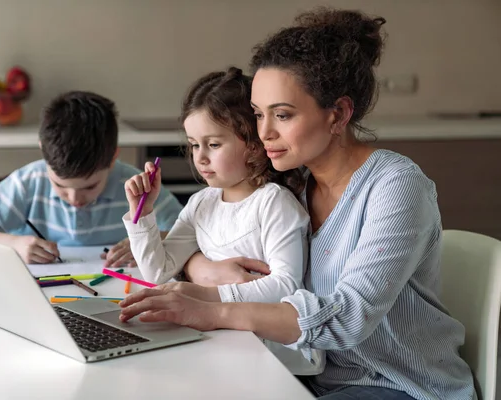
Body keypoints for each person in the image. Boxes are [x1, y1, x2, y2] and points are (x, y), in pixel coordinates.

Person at [118, 8, 476, 400]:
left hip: (399, 385)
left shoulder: (395, 188)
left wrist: (212, 308)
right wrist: (196, 264)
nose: (265, 133)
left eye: (283, 115)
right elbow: (225, 237)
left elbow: (347, 319)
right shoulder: (293, 183)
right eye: (257, 115)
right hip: (306, 376)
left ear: (338, 114)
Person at [122, 67, 323, 375]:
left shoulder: (273, 203)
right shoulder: (202, 203)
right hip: (216, 342)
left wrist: (206, 297)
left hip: (271, 357)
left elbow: (286, 286)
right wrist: (144, 214)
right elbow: (157, 271)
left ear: (254, 145)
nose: (200, 157)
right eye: (194, 144)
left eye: (213, 144)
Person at [0, 91, 183, 265]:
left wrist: (151, 239)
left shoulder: (134, 185)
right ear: (43, 153)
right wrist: (14, 244)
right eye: (60, 185)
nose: (75, 199)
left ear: (113, 157)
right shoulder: (28, 182)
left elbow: (191, 233)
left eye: (90, 186)